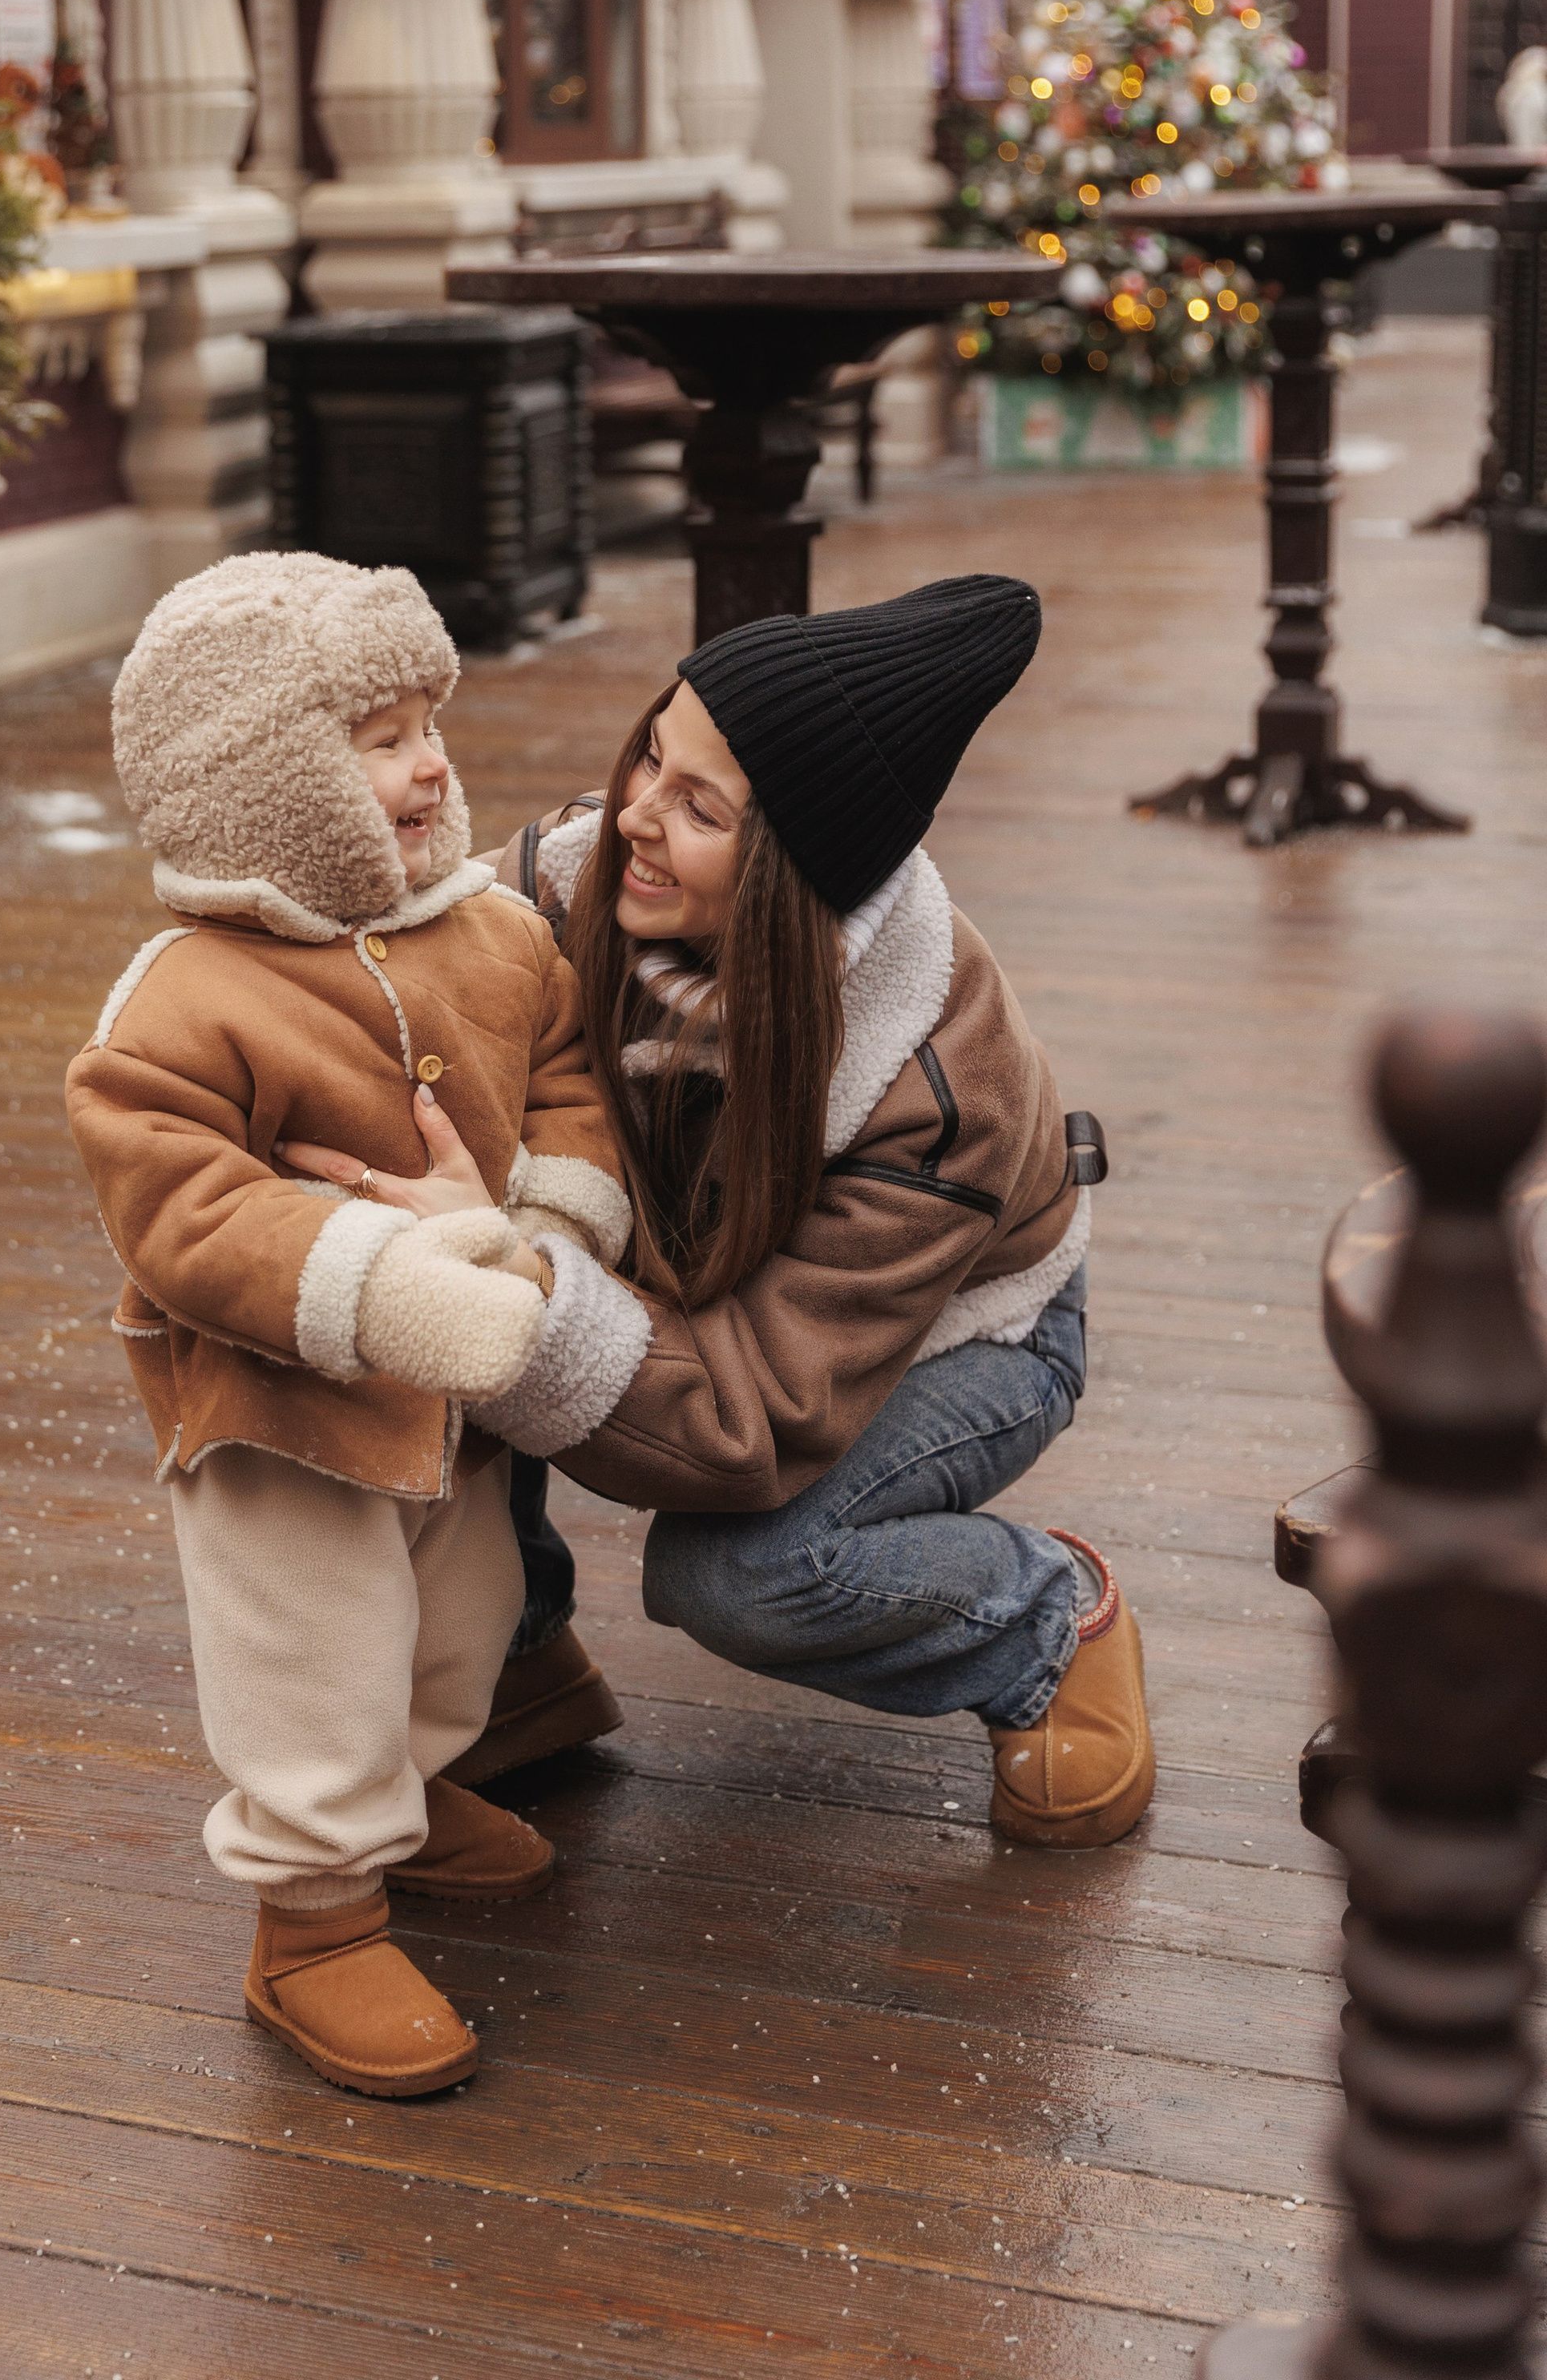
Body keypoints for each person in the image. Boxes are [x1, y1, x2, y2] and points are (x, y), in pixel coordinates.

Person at [284, 575, 1153, 1851]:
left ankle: (1043, 1627)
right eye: (651, 753)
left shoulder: (932, 1089)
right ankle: (513, 1663)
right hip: (681, 1272)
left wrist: (515, 1271)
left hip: (957, 1334)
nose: (634, 811)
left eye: (699, 806)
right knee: (412, 1289)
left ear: (791, 871)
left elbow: (755, 1418)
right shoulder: (559, 886)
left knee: (742, 1575)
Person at [65, 554, 630, 2099]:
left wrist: (546, 1228)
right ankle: (311, 1918)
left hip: (454, 1399)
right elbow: (184, 1214)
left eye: (427, 721)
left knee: (460, 1617)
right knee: (313, 1658)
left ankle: (413, 1782)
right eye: (377, 737)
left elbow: (570, 1080)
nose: (430, 762)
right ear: (259, 775)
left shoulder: (494, 937)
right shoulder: (181, 1005)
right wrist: (387, 1283)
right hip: (278, 1410)